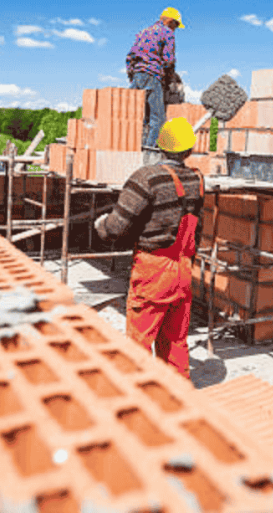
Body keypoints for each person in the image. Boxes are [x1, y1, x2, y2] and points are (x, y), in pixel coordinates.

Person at [94, 116, 204, 378]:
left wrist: (101, 225)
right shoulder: (197, 180)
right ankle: (179, 401)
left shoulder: (146, 178)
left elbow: (116, 228)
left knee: (138, 344)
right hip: (184, 269)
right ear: (189, 149)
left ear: (159, 145)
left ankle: (140, 403)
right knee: (176, 341)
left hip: (154, 270)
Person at [127, 7, 185, 150]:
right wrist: (170, 78)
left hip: (137, 75)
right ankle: (147, 152)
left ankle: (134, 147)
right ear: (170, 21)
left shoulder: (143, 32)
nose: (175, 29)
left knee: (137, 117)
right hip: (152, 76)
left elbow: (129, 57)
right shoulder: (167, 33)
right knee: (158, 119)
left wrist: (133, 76)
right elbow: (169, 59)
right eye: (176, 25)